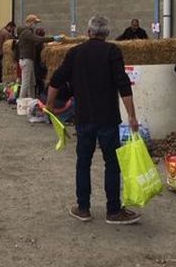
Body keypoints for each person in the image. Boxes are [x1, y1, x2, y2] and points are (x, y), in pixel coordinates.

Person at [46, 15, 141, 225]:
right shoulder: (113, 52)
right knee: (112, 164)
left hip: (84, 118)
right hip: (108, 118)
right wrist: (132, 116)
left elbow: (56, 80)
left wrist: (50, 106)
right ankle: (113, 211)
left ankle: (83, 208)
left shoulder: (75, 52)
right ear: (107, 34)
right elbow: (123, 85)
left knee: (83, 163)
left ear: (88, 32)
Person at [17, 14, 61, 99]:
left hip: (27, 59)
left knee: (32, 82)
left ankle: (32, 100)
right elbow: (38, 39)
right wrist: (53, 38)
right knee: (26, 83)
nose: (35, 25)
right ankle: (21, 101)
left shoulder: (27, 31)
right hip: (27, 59)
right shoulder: (26, 32)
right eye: (35, 23)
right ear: (30, 22)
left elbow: (34, 42)